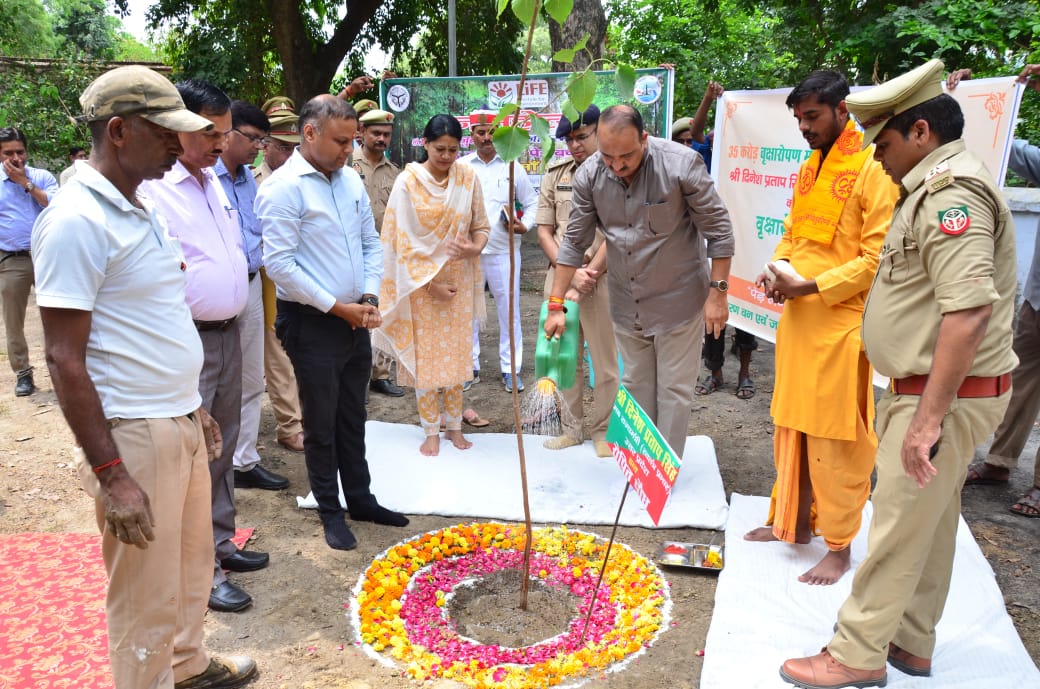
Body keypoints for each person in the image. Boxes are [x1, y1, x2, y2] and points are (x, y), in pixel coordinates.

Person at [780, 59, 1018, 688]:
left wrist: (927, 421)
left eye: (882, 144)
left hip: (942, 397)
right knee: (931, 526)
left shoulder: (952, 196)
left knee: (892, 526)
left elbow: (968, 314)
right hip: (940, 391)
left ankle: (855, 654)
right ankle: (910, 643)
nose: (876, 158)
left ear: (919, 131)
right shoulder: (933, 187)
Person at [32, 65, 256, 689]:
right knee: (143, 594)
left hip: (177, 417)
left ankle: (186, 667)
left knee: (187, 570)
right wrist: (111, 473)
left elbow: (156, 318)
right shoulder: (78, 219)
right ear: (119, 131)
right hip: (133, 431)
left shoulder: (138, 206)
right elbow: (63, 358)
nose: (177, 146)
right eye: (166, 134)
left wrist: (195, 406)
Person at [743, 70, 899, 586]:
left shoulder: (874, 168)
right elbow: (791, 233)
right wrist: (776, 269)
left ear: (842, 110)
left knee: (837, 440)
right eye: (798, 119)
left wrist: (809, 288)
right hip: (798, 321)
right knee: (791, 425)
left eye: (812, 117)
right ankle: (791, 522)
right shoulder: (810, 165)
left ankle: (839, 544)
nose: (804, 128)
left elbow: (876, 260)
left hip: (840, 326)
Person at [139, 79, 268, 614]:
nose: (219, 142)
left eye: (223, 132)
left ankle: (220, 542)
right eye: (208, 132)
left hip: (228, 331)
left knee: (224, 444)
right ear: (178, 127)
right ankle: (202, 571)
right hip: (188, 339)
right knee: (194, 456)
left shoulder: (212, 181)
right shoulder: (156, 188)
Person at [257, 95, 409, 551]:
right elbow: (280, 266)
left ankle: (360, 499)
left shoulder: (350, 183)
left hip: (353, 316)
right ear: (310, 133)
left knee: (352, 413)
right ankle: (330, 510)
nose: (350, 150)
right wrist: (336, 308)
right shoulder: (283, 188)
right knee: (320, 421)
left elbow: (370, 242)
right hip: (311, 321)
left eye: (353, 141)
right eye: (342, 142)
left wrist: (365, 297)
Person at [544, 104, 734, 459]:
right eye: (608, 156)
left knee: (674, 390)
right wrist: (557, 304)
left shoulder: (680, 165)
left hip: (679, 297)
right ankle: (640, 465)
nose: (617, 165)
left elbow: (719, 230)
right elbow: (574, 241)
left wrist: (718, 294)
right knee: (635, 384)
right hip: (626, 298)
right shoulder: (589, 174)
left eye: (626, 156)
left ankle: (663, 471)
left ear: (645, 138)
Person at [949, 65, 1040, 519]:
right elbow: (1008, 151)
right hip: (1038, 299)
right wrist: (966, 101)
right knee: (1020, 380)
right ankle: (1000, 462)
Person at [373, 114, 490, 456]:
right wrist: (430, 286)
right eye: (440, 149)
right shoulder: (408, 183)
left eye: (454, 150)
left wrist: (474, 247)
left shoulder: (468, 178)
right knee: (426, 360)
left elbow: (481, 227)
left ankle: (454, 425)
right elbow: (398, 244)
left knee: (455, 357)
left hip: (459, 281)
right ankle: (431, 429)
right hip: (420, 287)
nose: (447, 156)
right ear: (425, 144)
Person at [215, 99, 290, 492]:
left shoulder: (247, 178)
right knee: (210, 383)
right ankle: (210, 466)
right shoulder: (204, 178)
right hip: (210, 296)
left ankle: (243, 462)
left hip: (250, 284)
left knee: (251, 380)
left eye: (263, 141)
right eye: (253, 139)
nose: (258, 148)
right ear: (227, 133)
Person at [535, 105, 619, 457]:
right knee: (562, 356)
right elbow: (543, 229)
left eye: (581, 137)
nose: (574, 145)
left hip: (602, 278)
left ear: (600, 131)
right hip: (561, 278)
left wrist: (590, 273)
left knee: (605, 362)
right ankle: (572, 428)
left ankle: (604, 431)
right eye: (569, 139)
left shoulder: (617, 171)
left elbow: (618, 231)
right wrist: (569, 270)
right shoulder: (555, 174)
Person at [676, 82, 760, 400]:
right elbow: (696, 131)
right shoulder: (714, 147)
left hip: (750, 242)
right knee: (714, 308)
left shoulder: (762, 153)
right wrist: (708, 98)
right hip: (716, 244)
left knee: (747, 311)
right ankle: (715, 373)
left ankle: (745, 374)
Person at [461, 108, 539, 393]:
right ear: (471, 135)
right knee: (467, 311)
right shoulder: (462, 166)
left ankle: (510, 369)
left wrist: (525, 225)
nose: (486, 138)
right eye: (480, 132)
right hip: (470, 252)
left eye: (492, 132)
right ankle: (469, 366)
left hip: (505, 251)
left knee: (510, 311)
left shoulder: (512, 165)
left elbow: (532, 203)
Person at [255, 96, 305, 453]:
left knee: (296, 347)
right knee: (277, 349)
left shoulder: (304, 177)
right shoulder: (251, 178)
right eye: (282, 148)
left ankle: (299, 417)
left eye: (294, 147)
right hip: (263, 274)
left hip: (299, 273)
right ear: (265, 145)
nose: (289, 156)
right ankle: (289, 424)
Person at [1, 127, 57, 397]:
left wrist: (26, 184)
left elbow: (58, 207)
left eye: (20, 152)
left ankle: (66, 369)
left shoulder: (42, 177)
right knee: (14, 321)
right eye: (8, 153)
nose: (16, 158)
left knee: (61, 314)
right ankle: (23, 373)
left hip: (50, 256)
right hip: (13, 259)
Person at [353, 108, 405, 398]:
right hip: (352, 249)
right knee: (355, 311)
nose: (381, 138)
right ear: (361, 132)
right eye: (376, 133)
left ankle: (380, 374)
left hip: (384, 252)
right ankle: (357, 375)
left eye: (386, 134)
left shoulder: (395, 173)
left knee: (383, 312)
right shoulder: (348, 166)